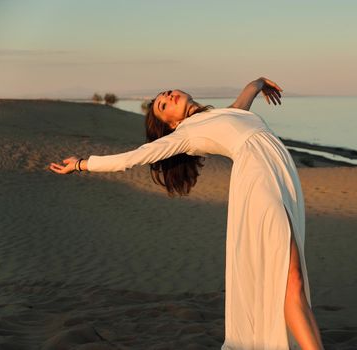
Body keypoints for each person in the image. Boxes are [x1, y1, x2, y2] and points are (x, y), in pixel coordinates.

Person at [49, 77, 324, 350]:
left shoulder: (224, 113)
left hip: (282, 176)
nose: (169, 97)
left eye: (167, 93)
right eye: (163, 104)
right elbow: (132, 157)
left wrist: (260, 82)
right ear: (170, 123)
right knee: (291, 279)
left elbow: (246, 97)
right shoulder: (184, 134)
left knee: (292, 280)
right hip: (258, 181)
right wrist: (83, 164)